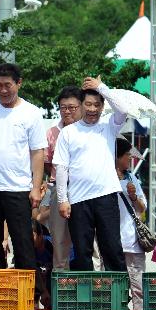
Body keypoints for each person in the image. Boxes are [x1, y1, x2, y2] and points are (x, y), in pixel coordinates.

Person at [0, 63, 47, 275]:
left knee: (23, 242)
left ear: (19, 84)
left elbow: (37, 153)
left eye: (8, 85)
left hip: (19, 187)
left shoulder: (31, 113)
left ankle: (29, 294)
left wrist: (35, 186)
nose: (3, 90)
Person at [54, 77, 128, 272]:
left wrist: (101, 88)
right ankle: (86, 299)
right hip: (78, 200)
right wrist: (63, 199)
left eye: (97, 105)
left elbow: (123, 109)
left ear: (103, 106)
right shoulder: (68, 133)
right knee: (82, 252)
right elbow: (61, 168)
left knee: (112, 248)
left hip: (106, 196)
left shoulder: (108, 127)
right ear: (80, 105)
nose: (92, 109)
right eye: (88, 104)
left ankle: (119, 297)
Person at [44, 87, 84, 270]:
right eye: (63, 107)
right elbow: (46, 162)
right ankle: (62, 289)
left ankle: (95, 287)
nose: (67, 111)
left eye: (72, 107)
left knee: (90, 241)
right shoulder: (52, 132)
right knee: (59, 241)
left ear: (81, 107)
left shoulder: (89, 131)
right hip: (57, 189)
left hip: (85, 190)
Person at [115, 138, 147, 310]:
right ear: (118, 156)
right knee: (115, 289)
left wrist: (134, 197)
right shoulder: (104, 179)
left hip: (133, 243)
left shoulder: (132, 179)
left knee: (139, 289)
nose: (130, 159)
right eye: (127, 155)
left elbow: (142, 208)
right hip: (112, 244)